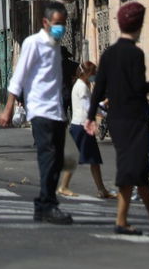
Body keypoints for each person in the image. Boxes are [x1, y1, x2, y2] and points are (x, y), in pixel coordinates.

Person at [87, 1, 149, 235]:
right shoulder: (135, 53)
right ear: (138, 25)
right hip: (134, 119)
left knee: (138, 168)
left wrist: (90, 115)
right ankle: (121, 221)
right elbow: (136, 87)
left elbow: (99, 87)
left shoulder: (109, 54)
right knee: (130, 168)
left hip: (116, 119)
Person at [0, 0, 72, 225]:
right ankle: (49, 205)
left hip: (57, 111)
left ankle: (42, 204)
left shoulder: (56, 46)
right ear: (45, 22)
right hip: (40, 111)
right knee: (48, 158)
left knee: (58, 160)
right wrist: (8, 108)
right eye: (57, 23)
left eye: (64, 24)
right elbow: (18, 76)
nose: (61, 27)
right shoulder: (34, 43)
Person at [58, 61, 113, 200]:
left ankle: (101, 189)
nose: (94, 76)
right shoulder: (81, 87)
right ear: (87, 73)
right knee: (78, 159)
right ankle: (64, 186)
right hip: (81, 126)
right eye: (93, 73)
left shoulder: (81, 85)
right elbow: (88, 107)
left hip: (82, 125)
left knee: (94, 159)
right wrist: (105, 104)